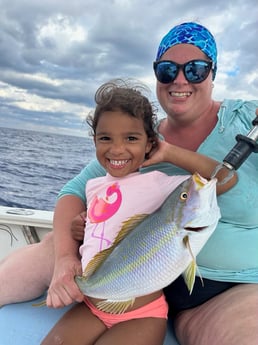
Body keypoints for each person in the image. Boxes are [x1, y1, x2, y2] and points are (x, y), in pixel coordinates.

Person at [0, 21, 258, 345]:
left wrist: (170, 153)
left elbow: (224, 178)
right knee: (56, 240)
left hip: (224, 295)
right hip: (124, 273)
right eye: (167, 70)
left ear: (213, 72)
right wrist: (67, 257)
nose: (180, 79)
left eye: (195, 69)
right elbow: (73, 192)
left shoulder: (246, 116)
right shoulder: (137, 139)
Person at [41, 78, 235, 345]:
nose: (117, 148)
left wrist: (168, 153)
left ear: (149, 143)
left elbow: (223, 178)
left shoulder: (158, 182)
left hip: (141, 314)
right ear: (94, 141)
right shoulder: (93, 186)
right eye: (105, 138)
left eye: (131, 138)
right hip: (91, 303)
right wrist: (80, 226)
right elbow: (103, 228)